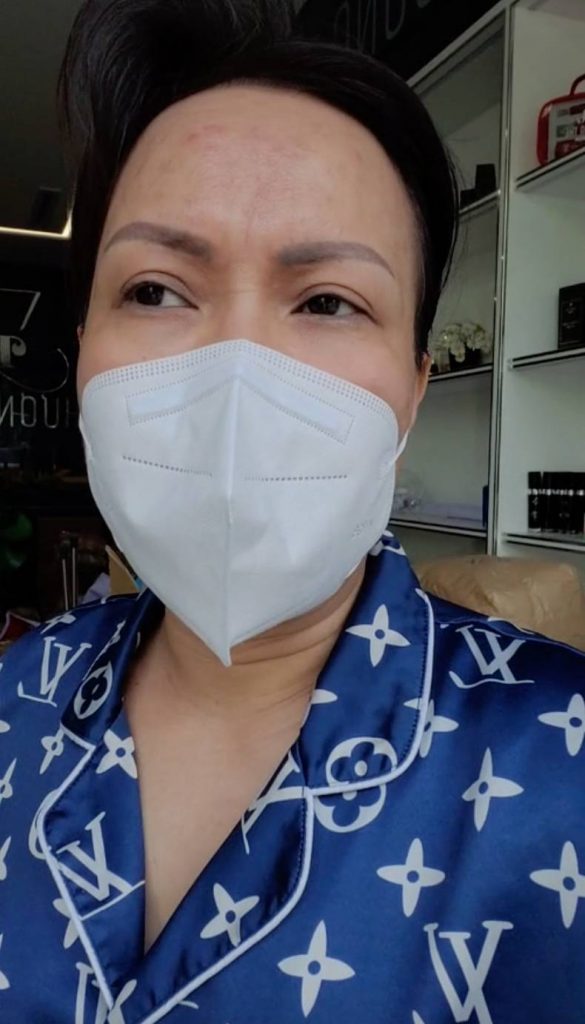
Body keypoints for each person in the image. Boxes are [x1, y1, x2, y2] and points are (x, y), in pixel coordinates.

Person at [0, 1, 584, 1021]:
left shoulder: (560, 758)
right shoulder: (17, 697)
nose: (236, 368)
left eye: (326, 302)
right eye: (155, 290)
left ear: (411, 391)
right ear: (84, 350)